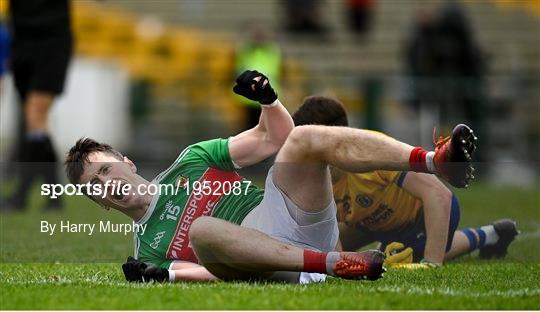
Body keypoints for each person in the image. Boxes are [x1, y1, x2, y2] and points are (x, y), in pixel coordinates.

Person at [64, 70, 475, 283]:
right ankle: (332, 265)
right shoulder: (145, 253)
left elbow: (273, 137)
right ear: (98, 202)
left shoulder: (192, 159)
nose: (107, 184)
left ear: (127, 161)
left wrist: (269, 100)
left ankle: (433, 162)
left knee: (305, 136)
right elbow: (214, 270)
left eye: (105, 169)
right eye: (94, 187)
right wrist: (167, 274)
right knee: (205, 231)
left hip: (282, 214)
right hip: (271, 262)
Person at [291, 96, 518, 267]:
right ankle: (490, 234)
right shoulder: (312, 173)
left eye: (307, 142)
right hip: (372, 222)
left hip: (420, 216)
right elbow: (328, 242)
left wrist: (431, 263)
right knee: (318, 248)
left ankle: (490, 235)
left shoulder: (371, 151)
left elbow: (439, 195)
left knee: (403, 256)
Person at [3, 0, 73, 211]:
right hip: (22, 43)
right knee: (34, 123)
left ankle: (22, 195)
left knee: (35, 117)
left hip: (52, 43)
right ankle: (53, 197)